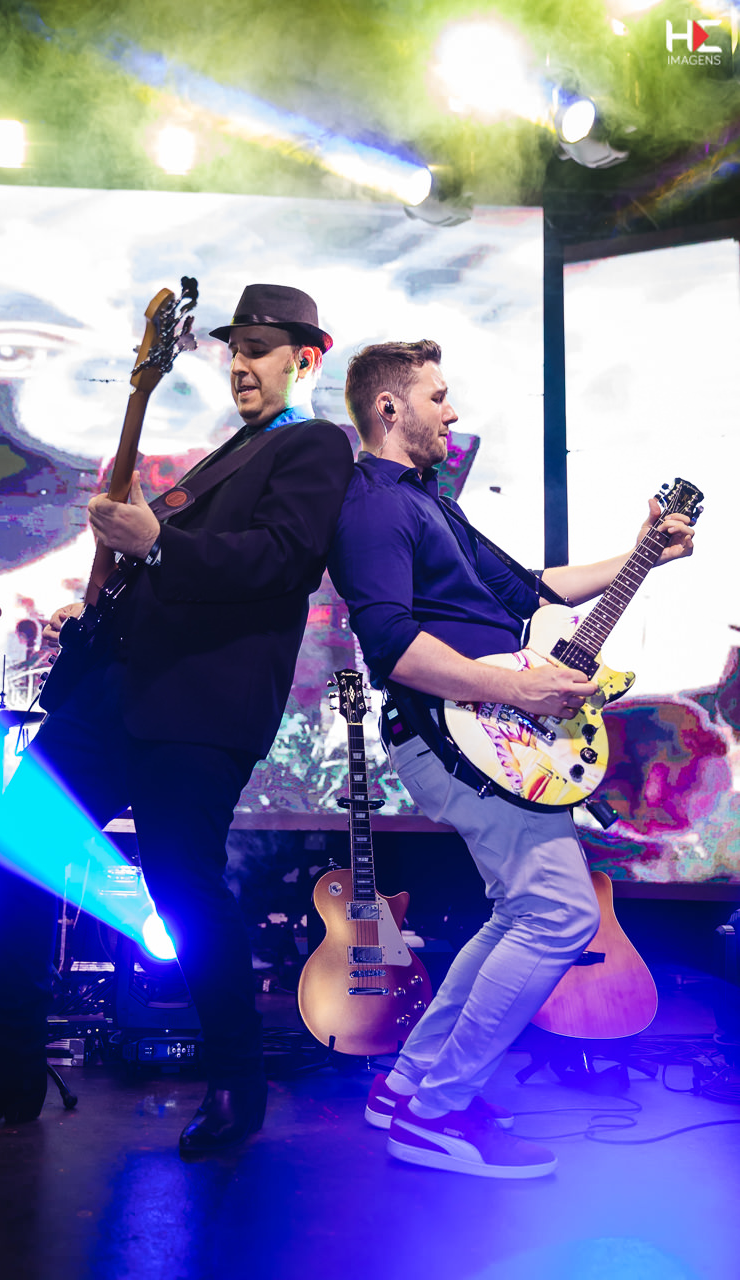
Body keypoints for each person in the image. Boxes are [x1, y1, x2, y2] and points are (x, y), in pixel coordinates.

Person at [0, 284, 355, 1152]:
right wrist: (100, 605)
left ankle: (235, 1082)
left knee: (181, 886)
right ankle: (9, 1071)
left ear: (305, 359)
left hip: (197, 703)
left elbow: (281, 559)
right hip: (110, 690)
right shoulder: (227, 454)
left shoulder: (312, 445)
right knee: (14, 856)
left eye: (260, 348)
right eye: (234, 347)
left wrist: (154, 540)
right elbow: (159, 568)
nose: (240, 363)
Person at [327, 339, 695, 1179]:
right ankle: (435, 1114)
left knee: (516, 913)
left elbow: (532, 591)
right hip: (455, 734)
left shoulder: (428, 502)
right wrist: (519, 691)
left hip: (489, 736)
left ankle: (408, 1084)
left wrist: (643, 553)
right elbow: (389, 643)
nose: (451, 412)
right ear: (389, 407)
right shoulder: (373, 505)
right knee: (559, 914)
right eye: (437, 396)